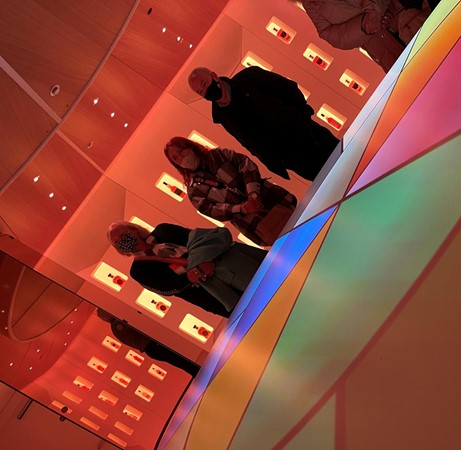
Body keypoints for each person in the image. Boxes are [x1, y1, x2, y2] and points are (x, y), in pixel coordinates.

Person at [187, 66, 339, 181]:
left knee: (351, 163)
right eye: (200, 92)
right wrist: (275, 163)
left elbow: (287, 88)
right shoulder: (222, 116)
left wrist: (303, 118)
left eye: (204, 84)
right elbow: (247, 142)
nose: (205, 91)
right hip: (294, 160)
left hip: (311, 137)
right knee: (332, 186)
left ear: (214, 76)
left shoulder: (248, 78)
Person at [107, 221, 266, 317]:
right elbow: (167, 288)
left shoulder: (163, 230)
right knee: (257, 314)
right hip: (212, 294)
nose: (121, 242)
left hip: (230, 264)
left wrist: (202, 259)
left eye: (122, 235)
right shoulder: (138, 270)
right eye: (116, 243)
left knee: (271, 284)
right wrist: (195, 272)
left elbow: (196, 238)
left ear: (133, 230)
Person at [164, 136, 297, 247]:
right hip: (254, 224)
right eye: (175, 158)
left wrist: (253, 195)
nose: (181, 158)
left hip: (273, 200)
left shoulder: (219, 155)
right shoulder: (194, 190)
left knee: (306, 225)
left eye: (181, 151)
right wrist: (242, 209)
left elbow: (246, 165)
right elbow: (212, 210)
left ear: (190, 146)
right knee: (290, 248)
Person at [297, 0, 431, 73]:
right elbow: (330, 35)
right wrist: (364, 26)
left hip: (404, 20)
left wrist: (374, 11)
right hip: (383, 49)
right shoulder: (310, 4)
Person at [96, 309, 200, 377]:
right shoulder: (118, 324)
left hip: (151, 348)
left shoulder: (115, 329)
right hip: (152, 345)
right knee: (178, 357)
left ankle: (195, 370)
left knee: (177, 360)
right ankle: (197, 369)